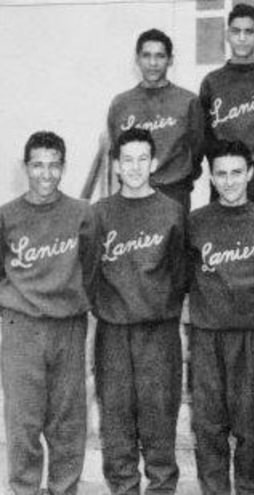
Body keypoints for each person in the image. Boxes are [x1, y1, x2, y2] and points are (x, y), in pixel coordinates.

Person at [0, 131, 96, 495]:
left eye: (54, 165)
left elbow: (91, 267)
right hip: (21, 326)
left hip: (68, 326)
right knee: (23, 422)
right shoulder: (7, 216)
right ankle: (24, 489)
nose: (46, 174)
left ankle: (63, 489)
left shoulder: (81, 213)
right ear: (26, 168)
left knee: (67, 423)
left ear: (64, 167)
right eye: (38, 165)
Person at [92, 128, 187, 494]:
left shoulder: (171, 212)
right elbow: (89, 272)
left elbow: (180, 275)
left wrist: (157, 306)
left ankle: (162, 488)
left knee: (159, 421)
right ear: (116, 165)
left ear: (155, 163)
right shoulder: (99, 214)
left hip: (158, 332)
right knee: (116, 422)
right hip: (113, 331)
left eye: (142, 159)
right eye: (127, 159)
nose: (134, 167)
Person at [187, 140, 254, 494]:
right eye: (221, 174)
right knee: (209, 424)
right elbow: (183, 276)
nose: (229, 181)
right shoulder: (196, 222)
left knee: (249, 425)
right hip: (208, 334)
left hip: (253, 335)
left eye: (236, 173)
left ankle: (248, 489)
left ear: (251, 173)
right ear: (210, 176)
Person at [200, 3, 254, 211]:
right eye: (236, 31)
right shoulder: (212, 82)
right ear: (227, 35)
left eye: (249, 31)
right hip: (226, 174)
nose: (242, 37)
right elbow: (204, 136)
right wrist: (220, 167)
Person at [107, 28, 204, 212]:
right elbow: (115, 150)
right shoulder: (121, 103)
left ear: (170, 60)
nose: (153, 63)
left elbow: (197, 150)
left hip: (174, 193)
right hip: (133, 193)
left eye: (160, 56)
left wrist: (180, 180)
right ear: (137, 59)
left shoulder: (188, 101)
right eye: (146, 56)